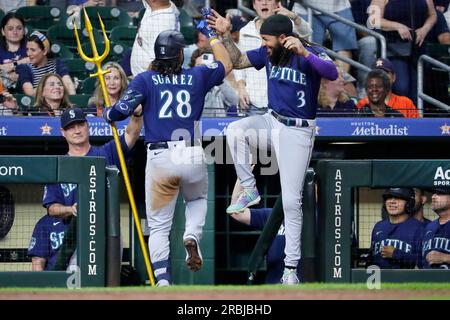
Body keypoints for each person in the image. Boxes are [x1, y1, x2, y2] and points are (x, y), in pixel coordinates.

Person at [207, 12, 338, 284]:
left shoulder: (307, 51)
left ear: (283, 37)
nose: (264, 44)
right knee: (234, 130)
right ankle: (249, 186)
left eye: (267, 40)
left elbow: (332, 72)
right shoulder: (269, 53)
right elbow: (240, 60)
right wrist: (224, 36)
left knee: (291, 201)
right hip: (271, 120)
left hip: (297, 131)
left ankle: (290, 269)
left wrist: (305, 53)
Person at [103, 26, 232, 286]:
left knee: (160, 226)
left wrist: (111, 112)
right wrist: (215, 37)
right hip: (192, 151)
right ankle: (192, 236)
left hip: (161, 156)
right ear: (180, 55)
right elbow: (226, 64)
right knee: (196, 200)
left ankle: (162, 280)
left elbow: (116, 113)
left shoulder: (145, 79)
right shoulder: (197, 75)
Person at [42, 106, 143, 270]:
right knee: (77, 284)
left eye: (80, 125)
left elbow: (131, 134)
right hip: (75, 235)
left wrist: (137, 113)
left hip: (108, 232)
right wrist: (70, 209)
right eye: (70, 127)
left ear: (87, 126)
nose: (76, 130)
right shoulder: (58, 165)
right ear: (63, 132)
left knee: (109, 285)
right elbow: (51, 208)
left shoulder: (106, 152)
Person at [234, 0, 312, 116]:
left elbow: (307, 32)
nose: (264, 3)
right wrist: (241, 88)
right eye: (259, 0)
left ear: (277, 4)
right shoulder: (245, 31)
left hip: (283, 103)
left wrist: (294, 17)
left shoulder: (287, 25)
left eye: (268, 0)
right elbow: (240, 63)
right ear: (254, 5)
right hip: (254, 101)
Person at [229, 176, 301, 284]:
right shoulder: (272, 215)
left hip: (305, 288)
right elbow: (235, 212)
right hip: (274, 286)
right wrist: (242, 174)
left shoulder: (316, 217)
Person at [368, 0, 437, 104]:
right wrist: (397, 26)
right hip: (394, 48)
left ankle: (416, 118)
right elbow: (373, 20)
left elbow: (433, 15)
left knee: (418, 90)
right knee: (402, 87)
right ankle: (399, 117)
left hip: (419, 48)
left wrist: (425, 28)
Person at [294, 0, 359, 73]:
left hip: (339, 6)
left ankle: (341, 81)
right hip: (306, 7)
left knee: (344, 48)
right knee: (310, 49)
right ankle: (315, 83)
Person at [370, 188, 424, 269]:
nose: (392, 201)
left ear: (409, 203)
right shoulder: (379, 226)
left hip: (406, 280)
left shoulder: (419, 228)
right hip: (381, 279)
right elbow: (372, 258)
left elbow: (423, 261)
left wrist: (396, 254)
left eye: (398, 198)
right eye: (389, 198)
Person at [16, 31, 76, 97]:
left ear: (44, 51)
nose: (28, 54)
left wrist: (73, 102)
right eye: (27, 49)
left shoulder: (57, 64)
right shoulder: (24, 68)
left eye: (33, 50)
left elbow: (68, 85)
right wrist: (53, 87)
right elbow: (30, 93)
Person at [130, 0, 180, 76]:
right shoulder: (156, 7)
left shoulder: (163, 23)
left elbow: (157, 62)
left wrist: (143, 82)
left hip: (150, 81)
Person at [189, 47, 238, 117]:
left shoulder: (218, 85)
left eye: (206, 66)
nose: (203, 70)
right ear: (193, 68)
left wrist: (218, 77)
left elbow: (234, 101)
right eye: (199, 66)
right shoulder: (189, 86)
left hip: (217, 126)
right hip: (197, 125)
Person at [0, 13, 29, 93]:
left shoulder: (31, 44)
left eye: (19, 28)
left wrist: (12, 65)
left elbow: (40, 56)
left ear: (24, 30)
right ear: (3, 31)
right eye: (10, 29)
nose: (15, 32)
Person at [421, 188, 450, 269]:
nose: (433, 197)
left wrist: (445, 257)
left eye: (439, 193)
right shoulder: (429, 226)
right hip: (429, 280)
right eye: (434, 193)